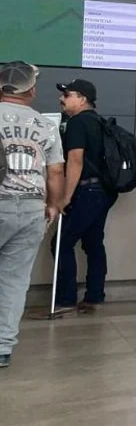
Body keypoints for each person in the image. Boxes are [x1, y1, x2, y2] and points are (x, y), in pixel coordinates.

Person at [0, 62, 64, 367]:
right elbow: (55, 171)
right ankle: (2, 347)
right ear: (32, 91)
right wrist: (53, 204)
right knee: (13, 281)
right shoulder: (47, 125)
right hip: (31, 208)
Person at [49, 79, 117, 316]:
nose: (62, 99)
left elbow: (75, 160)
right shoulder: (99, 122)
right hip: (104, 192)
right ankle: (94, 297)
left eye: (67, 95)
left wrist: (64, 197)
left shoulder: (77, 123)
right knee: (93, 243)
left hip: (86, 191)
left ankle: (66, 300)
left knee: (61, 243)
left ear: (82, 99)